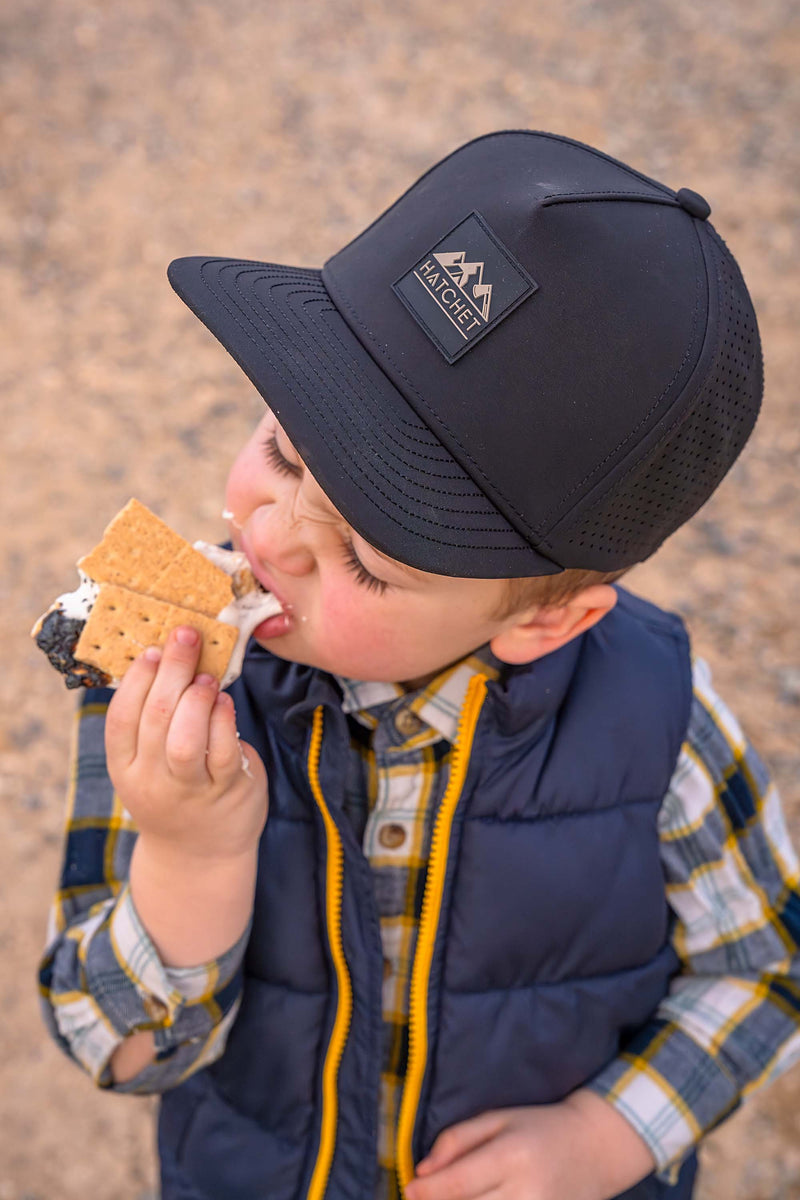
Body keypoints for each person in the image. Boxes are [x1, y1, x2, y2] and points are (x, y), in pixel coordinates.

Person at [38, 130, 800, 1200]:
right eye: (282, 451)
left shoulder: (658, 724)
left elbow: (764, 967)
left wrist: (606, 1136)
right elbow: (112, 1047)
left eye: (364, 557)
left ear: (543, 622)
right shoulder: (166, 685)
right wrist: (190, 855)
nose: (276, 537)